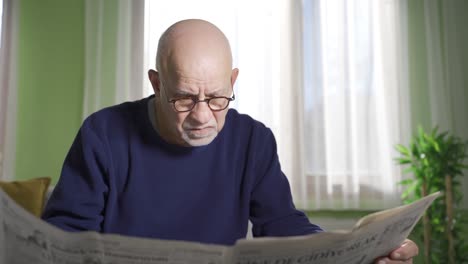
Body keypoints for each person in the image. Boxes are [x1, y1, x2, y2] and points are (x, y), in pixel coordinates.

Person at [42, 19, 418, 263]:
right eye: (184, 98)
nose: (203, 116)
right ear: (157, 84)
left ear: (233, 81)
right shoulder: (103, 134)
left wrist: (361, 252)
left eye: (218, 98)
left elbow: (284, 227)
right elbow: (63, 238)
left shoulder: (253, 140)